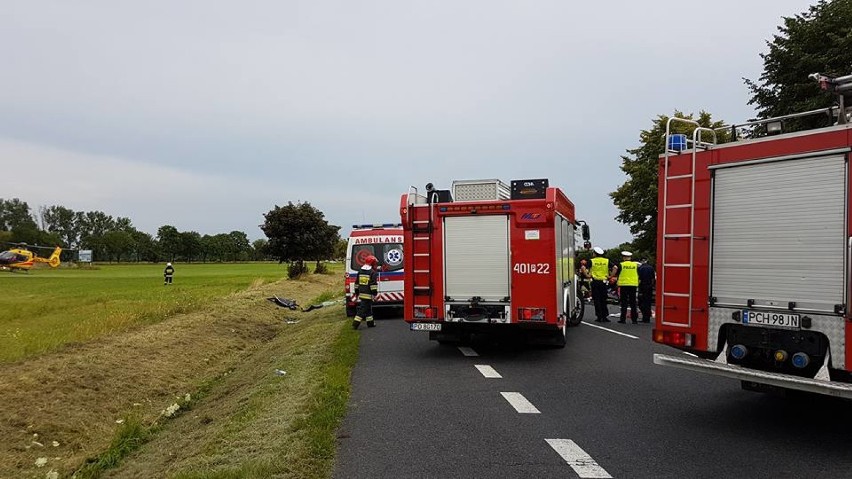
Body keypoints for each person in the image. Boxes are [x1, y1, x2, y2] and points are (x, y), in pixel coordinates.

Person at [352, 255, 379, 329]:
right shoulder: (372, 272)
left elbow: (356, 283)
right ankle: (355, 324)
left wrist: (356, 292)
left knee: (368, 309)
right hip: (368, 294)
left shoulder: (360, 271)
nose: (376, 265)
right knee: (362, 310)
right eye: (375, 263)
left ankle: (370, 323)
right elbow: (373, 285)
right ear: (372, 263)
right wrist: (375, 294)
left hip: (361, 293)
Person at [615, 251, 639, 324]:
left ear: (624, 257)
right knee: (633, 303)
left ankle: (623, 319)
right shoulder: (635, 265)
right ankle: (634, 320)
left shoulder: (621, 264)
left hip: (624, 285)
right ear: (630, 258)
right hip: (633, 285)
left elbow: (617, 273)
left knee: (624, 303)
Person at [589, 247, 610, 322]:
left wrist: (588, 275)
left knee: (597, 300)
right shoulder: (606, 261)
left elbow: (583, 267)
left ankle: (599, 316)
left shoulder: (592, 261)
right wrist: (610, 276)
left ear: (595, 253)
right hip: (604, 282)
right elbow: (615, 267)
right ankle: (605, 316)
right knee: (603, 299)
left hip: (595, 282)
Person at [638, 258, 656, 323]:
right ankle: (647, 317)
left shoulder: (640, 268)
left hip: (642, 287)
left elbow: (639, 279)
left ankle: (644, 316)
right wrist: (652, 285)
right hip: (649, 287)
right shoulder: (651, 268)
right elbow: (653, 278)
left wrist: (639, 287)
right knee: (648, 303)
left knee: (641, 302)